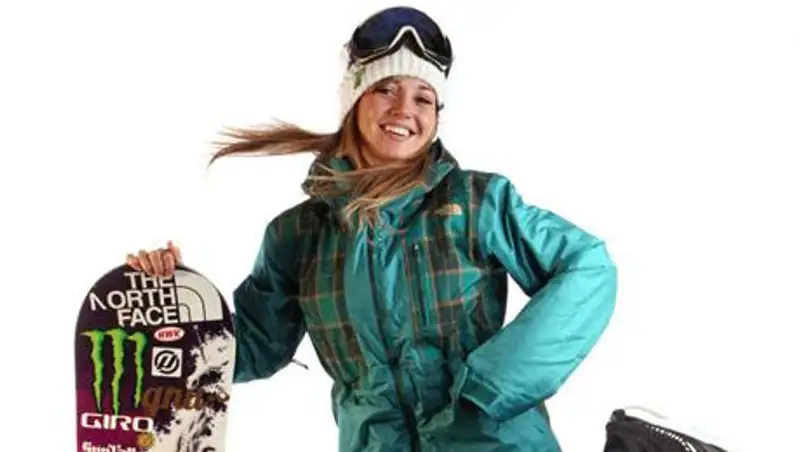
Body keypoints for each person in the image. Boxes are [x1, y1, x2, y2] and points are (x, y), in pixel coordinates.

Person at [127, 6, 618, 451]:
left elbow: (587, 267)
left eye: (424, 98)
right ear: (354, 100)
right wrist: (167, 305)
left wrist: (494, 384)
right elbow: (252, 348)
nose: (405, 109)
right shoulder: (298, 237)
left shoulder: (475, 203)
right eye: (386, 89)